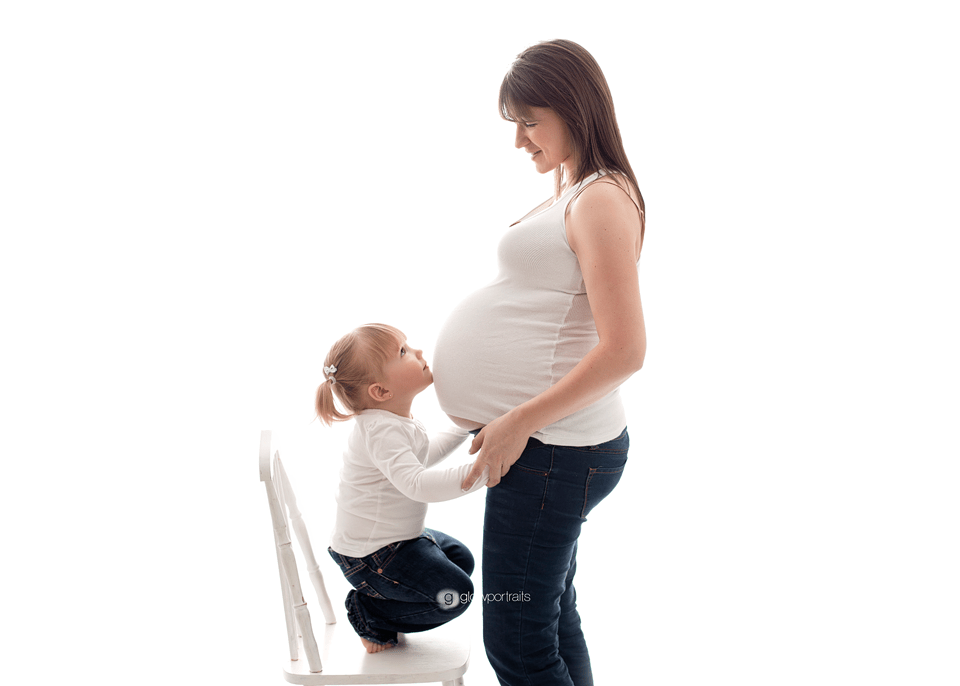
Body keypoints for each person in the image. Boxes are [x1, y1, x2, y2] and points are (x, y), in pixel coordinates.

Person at [432, 39, 646, 685]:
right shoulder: (577, 190)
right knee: (549, 622)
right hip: (552, 451)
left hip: (554, 451)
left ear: (574, 109)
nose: (520, 141)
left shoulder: (601, 198)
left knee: (518, 640)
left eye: (530, 121)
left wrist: (518, 419)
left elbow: (626, 349)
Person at [316, 323, 488, 653]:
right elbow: (418, 484)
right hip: (372, 555)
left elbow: (421, 458)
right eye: (403, 352)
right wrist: (482, 471)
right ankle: (370, 613)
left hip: (395, 540)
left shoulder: (392, 420)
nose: (419, 352)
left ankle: (382, 600)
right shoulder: (381, 430)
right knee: (455, 595)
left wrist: (465, 425)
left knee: (459, 559)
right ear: (381, 391)